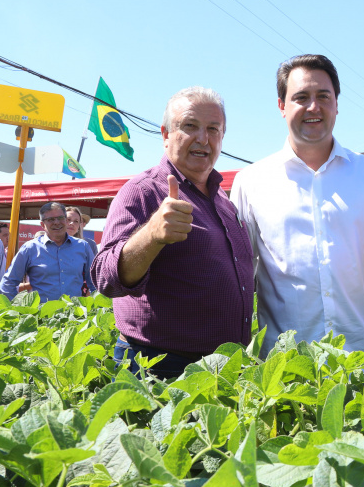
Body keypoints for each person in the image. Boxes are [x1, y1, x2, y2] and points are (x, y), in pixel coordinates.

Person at [231, 54, 364, 356]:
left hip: (363, 359)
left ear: (336, 104)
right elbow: (238, 270)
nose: (313, 107)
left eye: (323, 96)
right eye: (301, 98)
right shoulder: (251, 182)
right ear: (282, 106)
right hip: (286, 366)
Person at [92, 87, 254, 380]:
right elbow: (105, 277)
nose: (203, 139)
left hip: (222, 367)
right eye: (190, 126)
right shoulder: (142, 191)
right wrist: (152, 234)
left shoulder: (223, 201)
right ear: (166, 134)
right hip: (160, 366)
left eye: (213, 129)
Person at [1, 202, 94, 303]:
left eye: (60, 218)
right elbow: (7, 283)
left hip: (75, 315)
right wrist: (18, 309)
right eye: (50, 219)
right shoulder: (30, 248)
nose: (56, 222)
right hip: (41, 316)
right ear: (42, 224)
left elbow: (95, 283)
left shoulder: (82, 247)